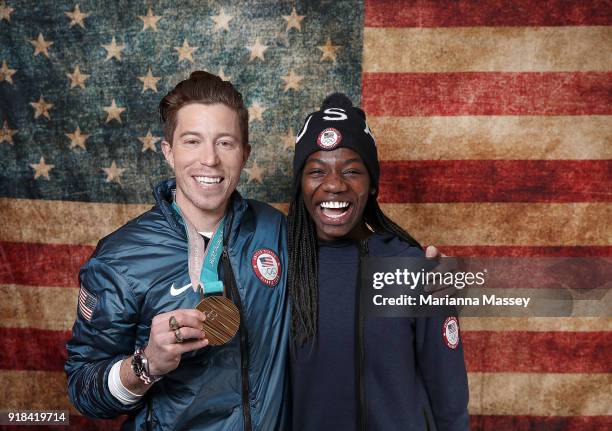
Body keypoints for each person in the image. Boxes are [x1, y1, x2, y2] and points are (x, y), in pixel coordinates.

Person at [65, 71, 290, 430]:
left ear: (245, 154)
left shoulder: (275, 230)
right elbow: (82, 388)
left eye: (225, 143)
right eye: (192, 141)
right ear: (168, 152)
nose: (210, 160)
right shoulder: (121, 259)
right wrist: (146, 364)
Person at [288, 93, 469, 430]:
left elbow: (449, 395)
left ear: (371, 186)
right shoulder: (277, 266)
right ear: (300, 184)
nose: (334, 185)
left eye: (352, 171)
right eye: (316, 171)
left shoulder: (412, 268)